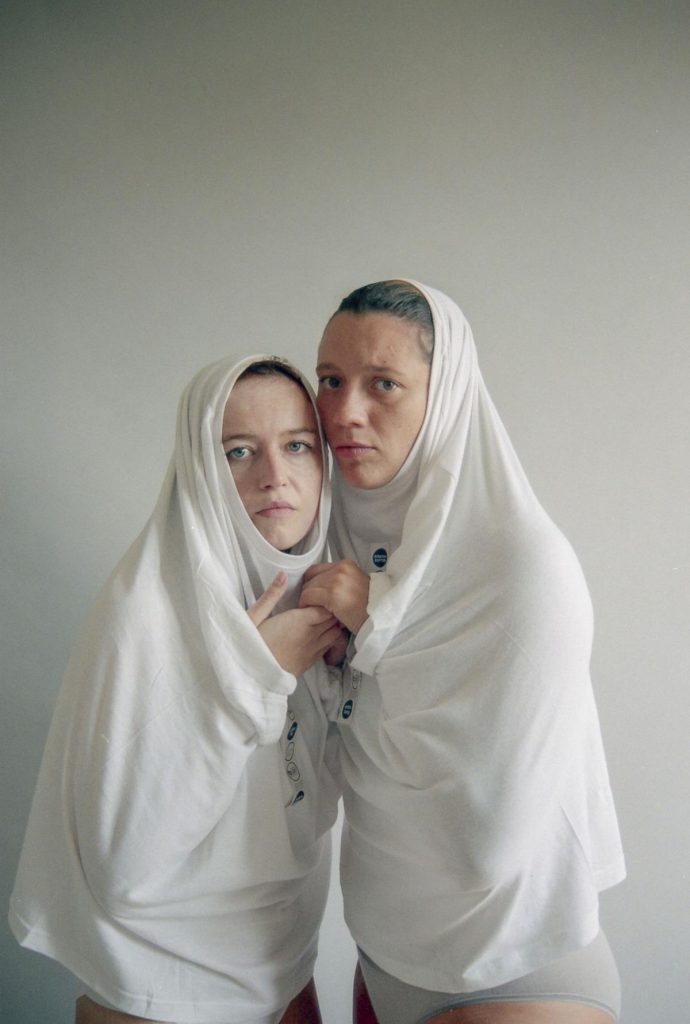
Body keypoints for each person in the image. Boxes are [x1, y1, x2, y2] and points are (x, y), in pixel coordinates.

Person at [300, 281, 627, 1024]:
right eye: (331, 380)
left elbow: (485, 840)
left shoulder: (522, 566)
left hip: (514, 974)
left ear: (443, 395)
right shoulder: (336, 543)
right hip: (384, 958)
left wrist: (379, 625)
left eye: (384, 384)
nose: (345, 412)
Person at [9, 355, 346, 1024]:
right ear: (199, 467)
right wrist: (254, 677)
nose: (274, 476)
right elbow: (125, 859)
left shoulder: (320, 600)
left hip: (282, 967)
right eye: (238, 451)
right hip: (162, 990)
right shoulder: (146, 612)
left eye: (297, 446)